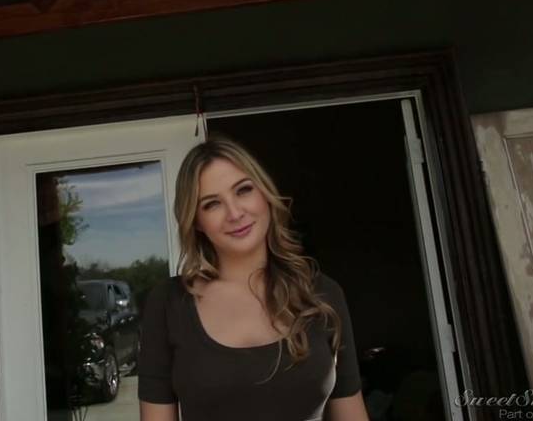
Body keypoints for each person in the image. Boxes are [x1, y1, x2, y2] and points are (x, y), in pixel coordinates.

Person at [138, 137, 369, 421]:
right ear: (196, 221)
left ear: (265, 193)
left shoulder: (322, 293)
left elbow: (352, 413)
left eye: (243, 190)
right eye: (212, 204)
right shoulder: (169, 303)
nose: (235, 213)